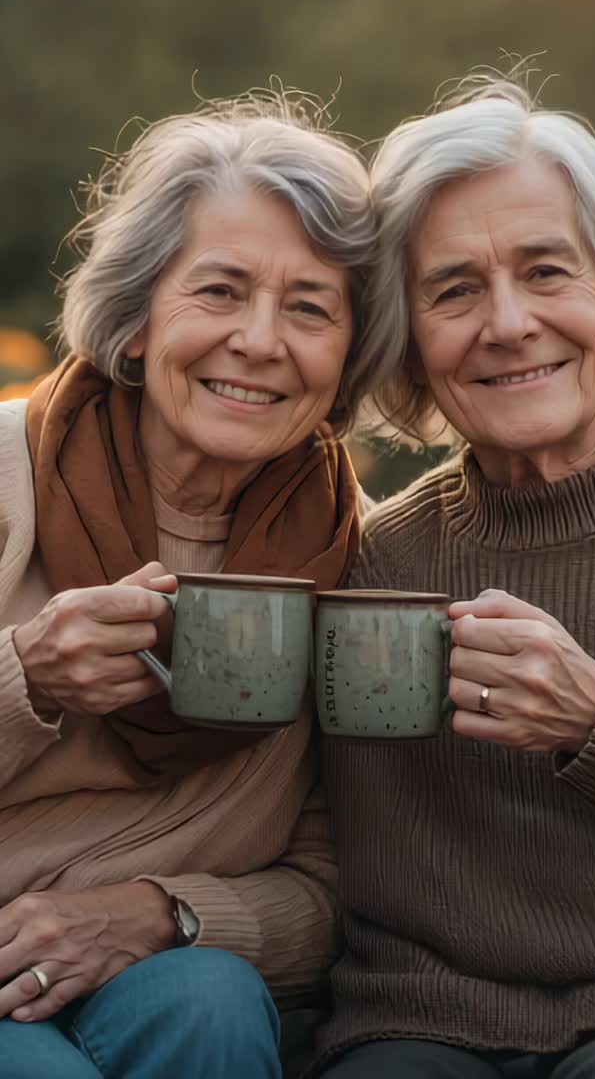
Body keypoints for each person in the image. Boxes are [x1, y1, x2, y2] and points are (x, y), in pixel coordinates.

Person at [313, 78, 595, 1078]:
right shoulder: (374, 559)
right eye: (454, 289)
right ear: (406, 343)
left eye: (546, 271)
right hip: (417, 1025)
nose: (507, 322)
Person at [0, 92, 384, 1079]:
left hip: (144, 968)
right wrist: (25, 675)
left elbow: (341, 886)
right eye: (219, 290)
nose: (260, 340)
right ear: (135, 320)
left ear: (346, 358)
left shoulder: (357, 563)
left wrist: (165, 913)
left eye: (309, 306)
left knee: (210, 999)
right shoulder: (6, 471)